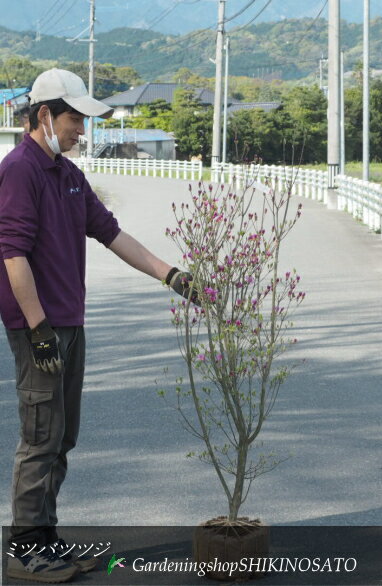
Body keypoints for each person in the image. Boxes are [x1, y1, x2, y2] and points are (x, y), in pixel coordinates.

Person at [0, 68, 198, 583]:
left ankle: (45, 538)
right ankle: (24, 549)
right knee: (41, 436)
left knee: (63, 436)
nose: (80, 131)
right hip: (38, 327)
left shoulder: (68, 176)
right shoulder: (20, 170)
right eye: (73, 120)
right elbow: (12, 255)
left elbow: (112, 234)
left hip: (70, 321)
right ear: (43, 115)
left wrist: (171, 275)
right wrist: (38, 329)